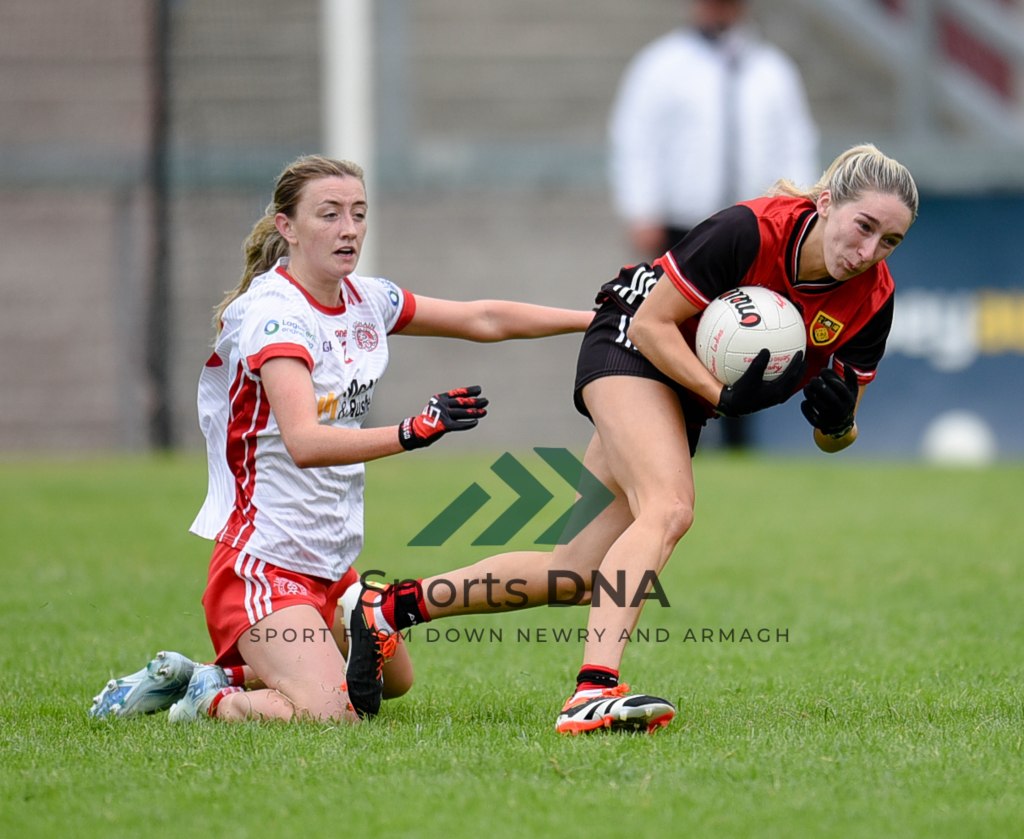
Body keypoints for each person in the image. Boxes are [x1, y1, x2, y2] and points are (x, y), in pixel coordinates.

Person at [339, 143, 918, 734]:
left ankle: (387, 608)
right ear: (827, 203)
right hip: (629, 341)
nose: (868, 251)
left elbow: (836, 437)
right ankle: (593, 690)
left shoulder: (873, 298)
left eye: (889, 241)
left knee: (574, 573)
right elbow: (650, 324)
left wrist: (837, 424)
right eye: (863, 226)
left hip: (682, 389)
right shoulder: (748, 231)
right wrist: (722, 398)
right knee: (668, 508)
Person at [89, 154, 593, 724]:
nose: (348, 228)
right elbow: (304, 442)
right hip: (264, 566)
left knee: (395, 681)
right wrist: (410, 432)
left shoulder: (365, 299)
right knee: (335, 713)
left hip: (331, 565)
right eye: (329, 214)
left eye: (358, 213)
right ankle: (209, 703)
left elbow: (484, 319)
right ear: (287, 227)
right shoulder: (277, 316)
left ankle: (211, 674)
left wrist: (594, 319)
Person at [608, 0, 820, 448]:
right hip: (685, 224)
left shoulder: (773, 70)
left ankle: (740, 439)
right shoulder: (661, 65)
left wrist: (801, 210)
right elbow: (635, 139)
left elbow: (796, 143)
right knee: (672, 331)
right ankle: (668, 437)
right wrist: (642, 207)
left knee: (750, 333)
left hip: (756, 231)